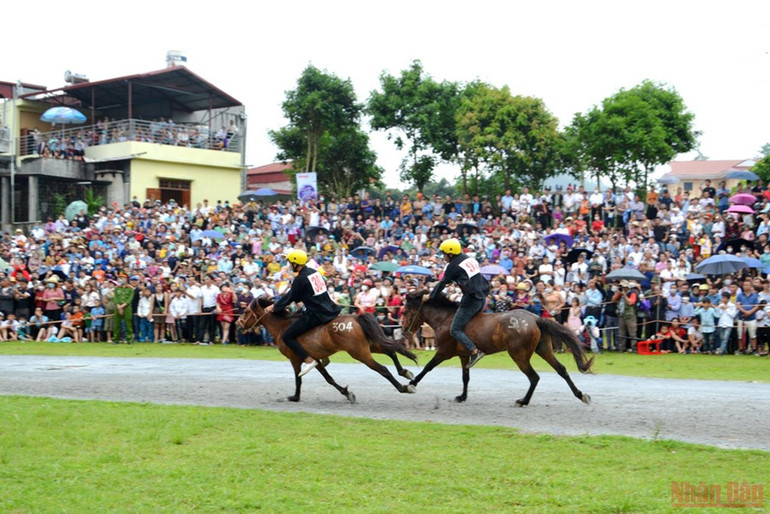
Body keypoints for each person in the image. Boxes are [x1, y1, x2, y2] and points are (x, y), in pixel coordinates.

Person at [265, 249, 342, 377]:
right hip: (329, 308)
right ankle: (323, 354)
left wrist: (274, 306)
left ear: (296, 263)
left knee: (287, 336)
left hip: (316, 313)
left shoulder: (300, 279)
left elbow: (290, 297)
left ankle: (308, 360)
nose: (289, 265)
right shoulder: (313, 272)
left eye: (290, 262)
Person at [424, 238, 489, 368]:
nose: (443, 256)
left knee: (455, 329)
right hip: (482, 296)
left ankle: (474, 350)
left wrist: (430, 297)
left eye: (444, 254)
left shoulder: (453, 266)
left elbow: (443, 283)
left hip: (471, 300)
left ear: (451, 253)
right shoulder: (469, 258)